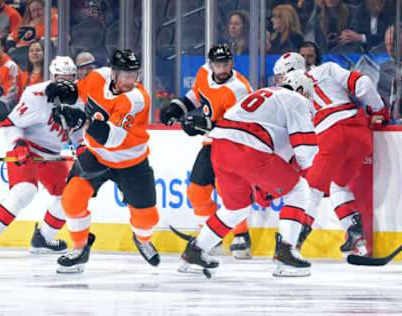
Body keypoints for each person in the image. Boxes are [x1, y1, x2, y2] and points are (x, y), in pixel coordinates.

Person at [175, 70, 318, 277]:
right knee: (298, 189)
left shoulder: (262, 93)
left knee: (236, 209)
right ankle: (286, 253)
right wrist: (298, 170)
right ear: (302, 90)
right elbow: (305, 150)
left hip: (220, 147)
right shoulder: (297, 100)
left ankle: (195, 252)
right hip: (249, 149)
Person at [51, 49, 160, 273]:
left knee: (147, 219)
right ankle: (80, 250)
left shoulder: (136, 99)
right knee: (71, 200)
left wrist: (82, 121)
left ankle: (142, 240)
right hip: (96, 156)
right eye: (126, 75)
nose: (131, 80)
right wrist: (64, 90)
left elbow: (113, 139)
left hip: (131, 161)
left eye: (134, 75)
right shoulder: (98, 77)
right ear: (113, 73)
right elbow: (78, 93)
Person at [273, 52, 389, 256]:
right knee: (338, 185)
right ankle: (358, 240)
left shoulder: (288, 94)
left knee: (311, 192)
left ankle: (291, 246)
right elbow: (363, 83)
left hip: (329, 137)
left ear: (290, 71)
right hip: (359, 133)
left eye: (281, 75)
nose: (280, 80)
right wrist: (378, 109)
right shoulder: (327, 69)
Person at [0, 56, 82, 256]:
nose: (67, 82)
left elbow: (79, 135)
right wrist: (19, 144)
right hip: (27, 147)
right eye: (62, 77)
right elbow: (10, 124)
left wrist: (83, 152)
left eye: (71, 77)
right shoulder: (36, 95)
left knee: (71, 197)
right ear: (53, 76)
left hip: (52, 154)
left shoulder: (80, 99)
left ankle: (43, 238)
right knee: (25, 190)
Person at [159, 44, 254, 259]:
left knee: (227, 190)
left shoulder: (238, 88)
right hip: (212, 143)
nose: (222, 69)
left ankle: (241, 235)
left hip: (234, 144)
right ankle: (214, 235)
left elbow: (242, 125)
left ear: (232, 63)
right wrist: (178, 106)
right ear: (210, 64)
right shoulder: (203, 72)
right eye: (217, 64)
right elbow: (196, 95)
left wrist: (205, 124)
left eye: (225, 64)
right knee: (196, 192)